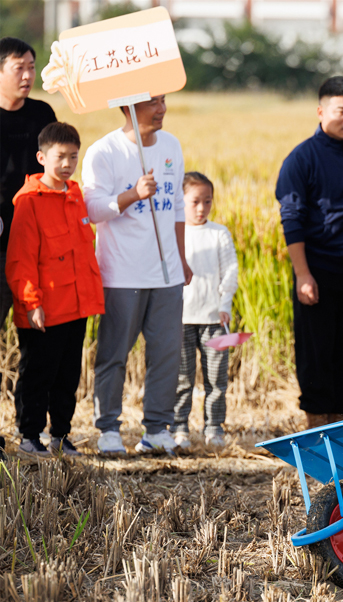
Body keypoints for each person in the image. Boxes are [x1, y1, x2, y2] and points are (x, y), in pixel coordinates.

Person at [82, 94, 193, 456]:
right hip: (121, 272)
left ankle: (157, 428)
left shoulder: (171, 145)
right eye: (152, 103)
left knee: (165, 354)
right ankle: (109, 428)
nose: (161, 109)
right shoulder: (104, 152)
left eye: (163, 101)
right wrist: (132, 194)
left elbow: (177, 205)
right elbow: (93, 209)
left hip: (166, 273)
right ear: (128, 107)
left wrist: (181, 257)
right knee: (114, 354)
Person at [276, 76, 343, 429]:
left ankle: (340, 425)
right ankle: (317, 430)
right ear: (321, 111)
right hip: (316, 270)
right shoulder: (301, 159)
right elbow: (292, 220)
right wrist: (303, 275)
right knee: (317, 355)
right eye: (341, 111)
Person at [6, 122, 103, 457]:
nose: (67, 163)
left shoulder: (75, 195)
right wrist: (31, 303)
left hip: (77, 305)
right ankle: (29, 435)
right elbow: (20, 259)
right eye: (60, 156)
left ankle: (61, 434)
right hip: (44, 308)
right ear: (41, 157)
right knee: (37, 374)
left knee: (67, 375)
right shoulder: (29, 201)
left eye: (73, 156)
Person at [173, 172, 238, 449]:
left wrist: (225, 305)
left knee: (216, 380)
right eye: (195, 202)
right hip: (182, 320)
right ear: (181, 201)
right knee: (182, 380)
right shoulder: (175, 233)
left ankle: (214, 428)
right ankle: (179, 429)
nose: (202, 208)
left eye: (207, 201)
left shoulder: (219, 233)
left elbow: (231, 271)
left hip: (214, 321)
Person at [1, 38, 57, 326]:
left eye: (32, 67)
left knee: (40, 332)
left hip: (37, 243)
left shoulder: (42, 114)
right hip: (0, 240)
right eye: (18, 67)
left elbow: (60, 164)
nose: (27, 75)